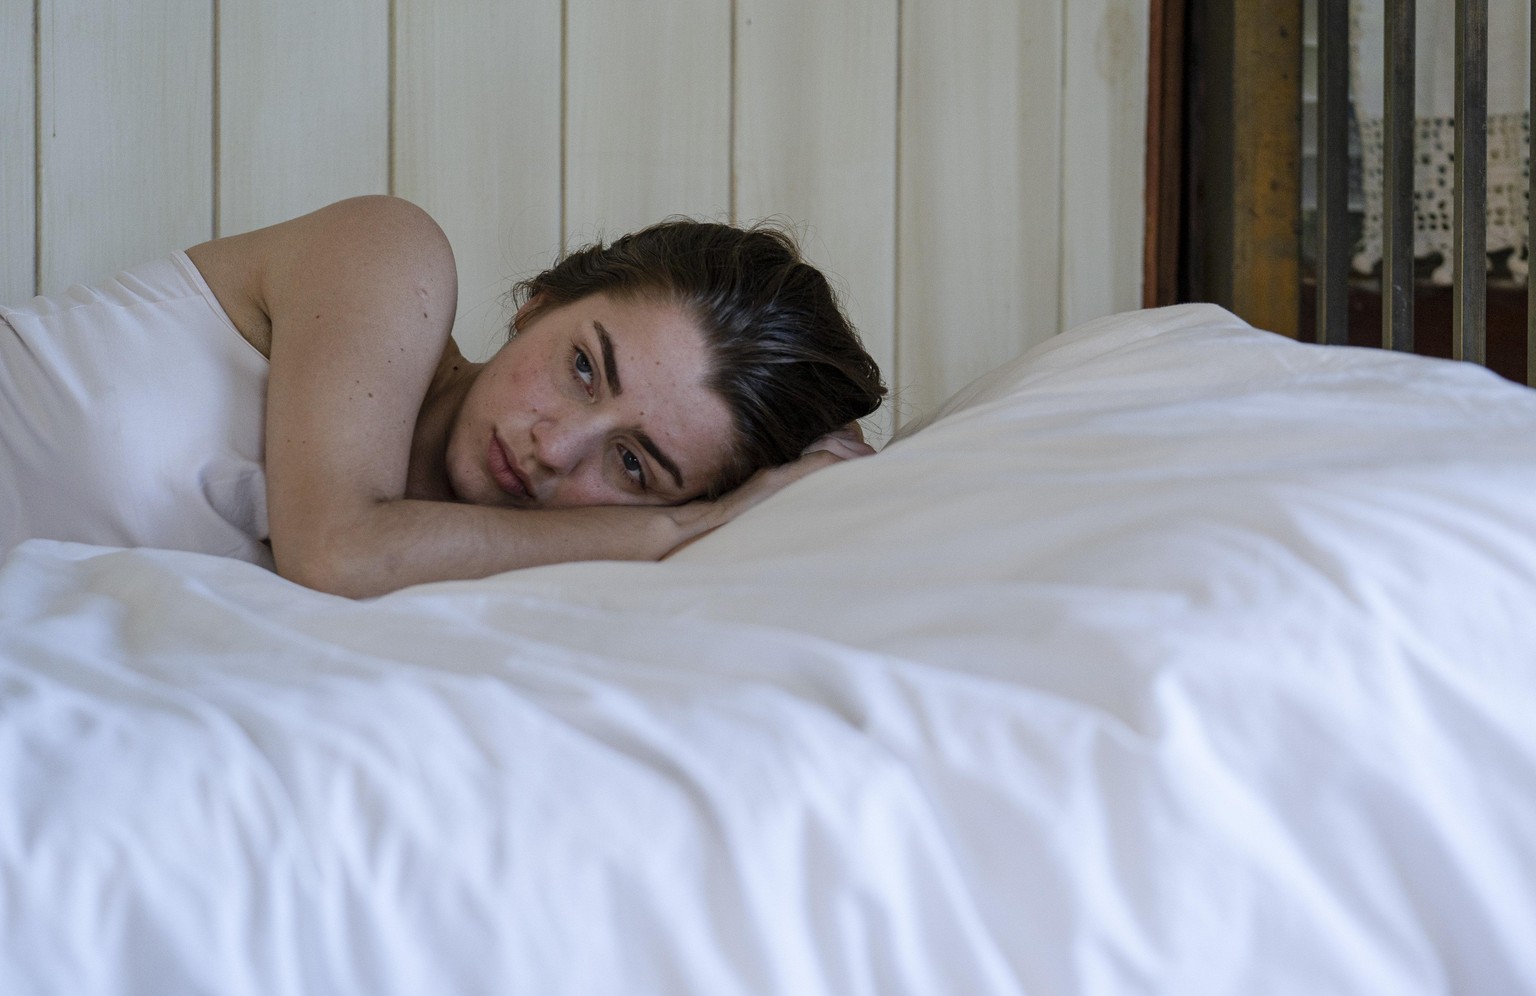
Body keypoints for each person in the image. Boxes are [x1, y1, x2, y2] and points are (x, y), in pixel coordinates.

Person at [0, 195, 886, 597]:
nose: (554, 445)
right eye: (583, 367)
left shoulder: (489, 587)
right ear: (540, 300)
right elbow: (339, 551)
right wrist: (677, 527)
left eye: (631, 463)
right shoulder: (391, 259)